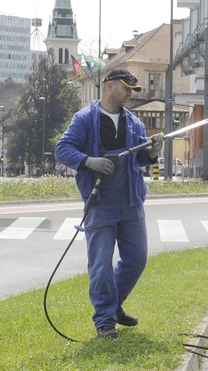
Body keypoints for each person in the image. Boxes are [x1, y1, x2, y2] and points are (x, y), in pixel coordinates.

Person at [55, 68, 163, 341]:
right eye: (126, 88)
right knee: (101, 265)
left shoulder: (134, 123)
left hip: (131, 201)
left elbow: (138, 160)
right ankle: (105, 322)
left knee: (136, 260)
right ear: (110, 86)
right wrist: (89, 161)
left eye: (132, 90)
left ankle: (113, 307)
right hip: (100, 202)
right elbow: (63, 149)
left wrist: (152, 151)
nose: (129, 94)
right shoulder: (84, 120)